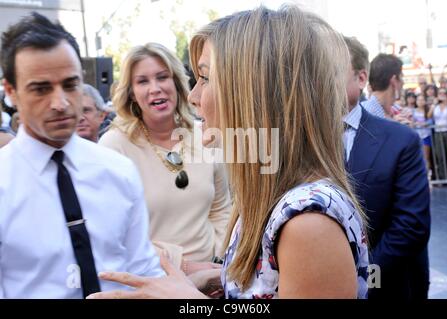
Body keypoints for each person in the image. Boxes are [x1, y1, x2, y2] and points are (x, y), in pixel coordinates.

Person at [88, 5, 369, 299]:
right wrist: (219, 278)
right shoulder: (279, 202)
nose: (194, 97)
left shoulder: (308, 224)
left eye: (206, 78)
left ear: (253, 93)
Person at [0, 12, 164, 298]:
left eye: (70, 84)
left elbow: (143, 270)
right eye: (41, 89)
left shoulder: (118, 170)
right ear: (10, 92)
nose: (60, 103)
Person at [99, 42, 231, 274]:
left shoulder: (206, 135)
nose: (155, 88)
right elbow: (112, 232)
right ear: (131, 92)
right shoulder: (113, 147)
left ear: (177, 83)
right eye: (143, 81)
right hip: (151, 279)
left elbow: (221, 208)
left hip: (214, 278)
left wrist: (218, 262)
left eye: (162, 77)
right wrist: (182, 266)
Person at [344, 36, 430, 300]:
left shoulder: (401, 139)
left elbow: (411, 225)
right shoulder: (300, 140)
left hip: (387, 288)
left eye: (329, 69)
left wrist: (363, 279)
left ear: (360, 79)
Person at [428, 88, 447, 181]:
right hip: (438, 133)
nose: (442, 95)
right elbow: (429, 116)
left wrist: (446, 104)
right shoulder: (435, 106)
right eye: (440, 93)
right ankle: (442, 177)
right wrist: (433, 105)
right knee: (440, 155)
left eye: (444, 93)